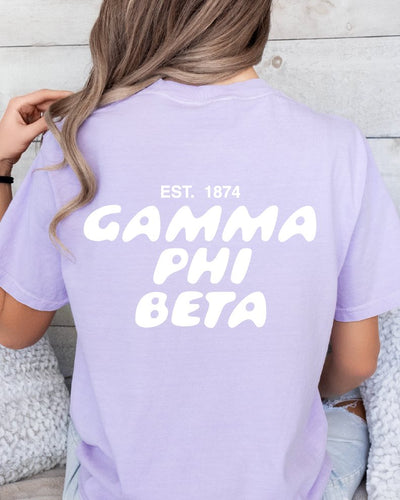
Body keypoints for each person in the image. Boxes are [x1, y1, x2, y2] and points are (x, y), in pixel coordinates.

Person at [1, 1, 400, 498]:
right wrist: (292, 395)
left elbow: (12, 329)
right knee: (342, 413)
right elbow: (358, 362)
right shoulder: (339, 146)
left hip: (122, 488)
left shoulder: (74, 140)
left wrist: (1, 166)